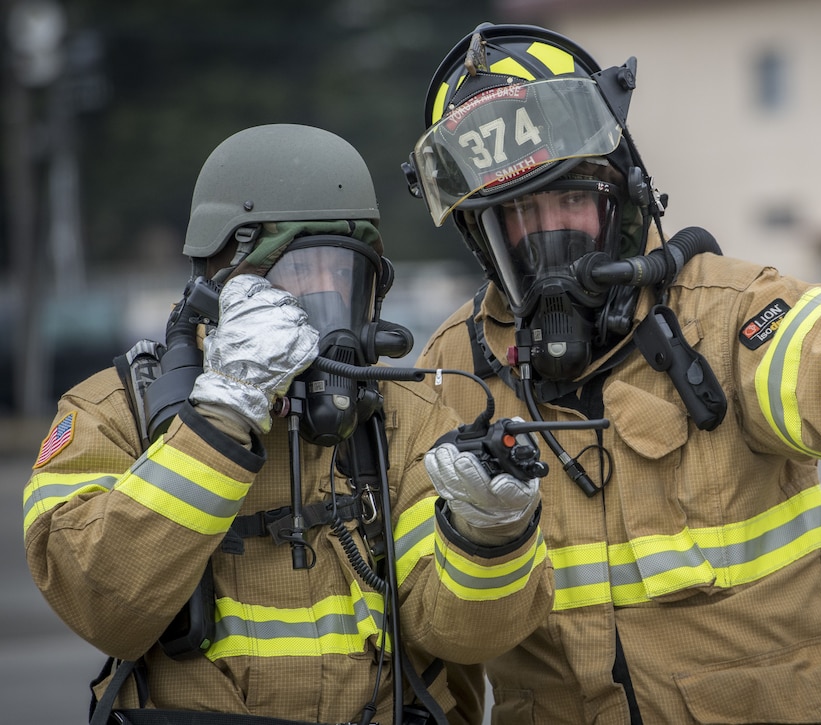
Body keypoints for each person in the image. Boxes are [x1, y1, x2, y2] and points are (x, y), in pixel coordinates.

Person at [402, 23, 821, 725]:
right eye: (519, 213)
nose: (551, 234)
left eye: (571, 198)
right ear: (480, 233)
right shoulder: (450, 374)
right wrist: (484, 538)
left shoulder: (726, 312)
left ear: (620, 193)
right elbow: (437, 635)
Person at [23, 123, 553, 725]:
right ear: (220, 282)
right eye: (302, 275)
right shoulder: (115, 411)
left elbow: (464, 637)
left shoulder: (408, 417)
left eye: (345, 278)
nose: (325, 302)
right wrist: (218, 419)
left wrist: (489, 536)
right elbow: (102, 606)